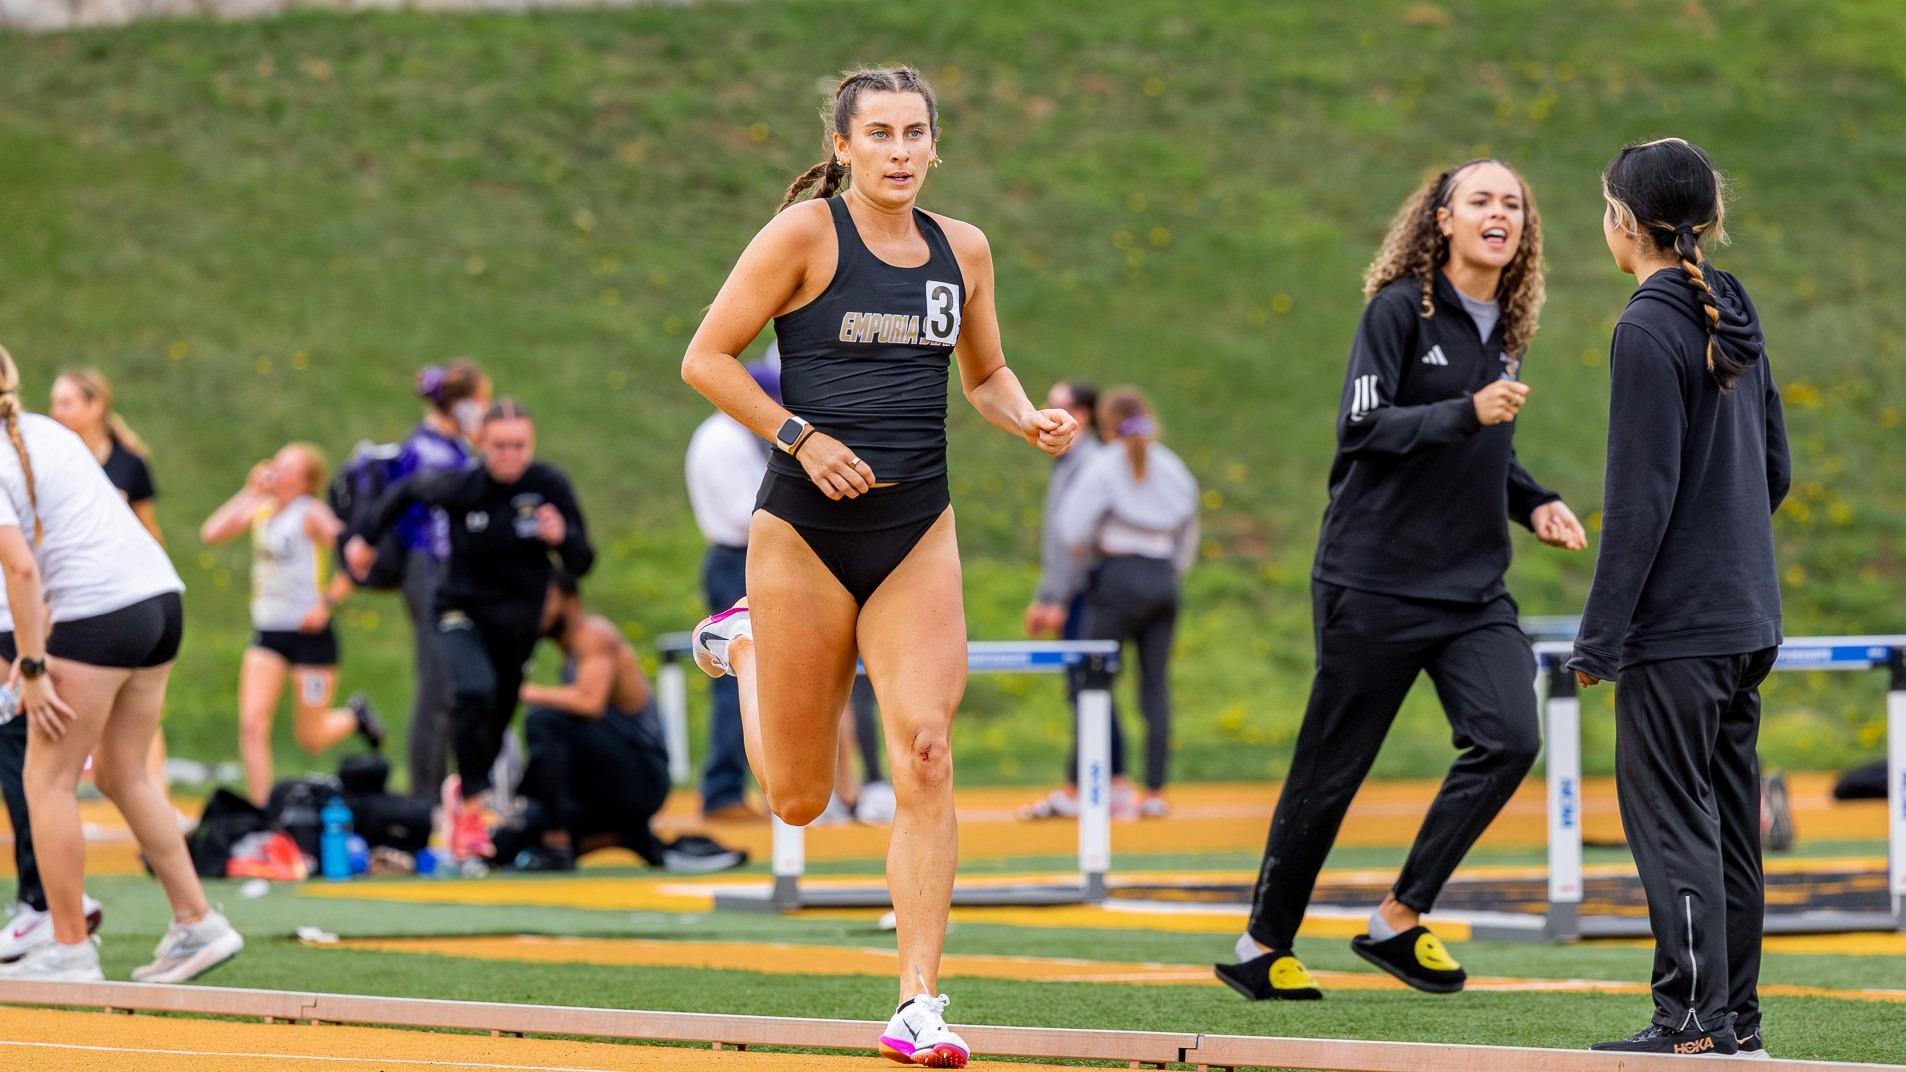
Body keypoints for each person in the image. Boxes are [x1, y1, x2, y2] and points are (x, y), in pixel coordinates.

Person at [680, 66, 1077, 1068]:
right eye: (881, 134)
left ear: (935, 146)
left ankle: (917, 1001)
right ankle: (746, 646)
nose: (900, 151)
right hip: (804, 532)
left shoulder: (964, 250)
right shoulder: (805, 236)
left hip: (915, 531)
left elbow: (983, 374)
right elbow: (707, 358)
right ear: (845, 145)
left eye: (916, 134)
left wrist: (1024, 416)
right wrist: (800, 437)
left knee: (926, 751)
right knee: (799, 799)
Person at [1216, 159, 1586, 1002]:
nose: (1501, 214)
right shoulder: (1398, 310)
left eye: (1514, 204)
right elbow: (1362, 427)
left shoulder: (1508, 324)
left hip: (1472, 591)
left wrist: (1535, 502)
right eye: (1482, 200)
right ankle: (1261, 943)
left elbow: (1491, 448)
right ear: (1443, 219)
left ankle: (1398, 917)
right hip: (1373, 582)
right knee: (1332, 771)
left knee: (1508, 738)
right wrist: (1468, 411)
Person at [1572, 138, 1788, 1058]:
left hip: (1681, 629)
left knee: (1671, 821)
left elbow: (1639, 503)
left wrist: (1598, 638)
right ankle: (1735, 1021)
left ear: (1622, 221)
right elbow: (1774, 469)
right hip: (1747, 616)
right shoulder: (1732, 308)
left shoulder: (1644, 327)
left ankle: (1689, 1019)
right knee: (1730, 824)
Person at [0, 345, 243, 982]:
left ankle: (70, 948)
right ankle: (198, 923)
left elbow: (23, 569)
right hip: (160, 602)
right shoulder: (47, 433)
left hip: (102, 614)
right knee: (121, 771)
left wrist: (29, 668)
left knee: (45, 781)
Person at [345, 398, 593, 862]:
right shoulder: (461, 485)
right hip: (457, 610)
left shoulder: (548, 485)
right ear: (481, 443)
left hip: (517, 629)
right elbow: (406, 491)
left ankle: (465, 795)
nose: (509, 456)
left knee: (496, 715)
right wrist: (365, 537)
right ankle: (473, 804)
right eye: (499, 446)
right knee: (472, 689)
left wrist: (562, 538)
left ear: (531, 443)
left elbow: (583, 560)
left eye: (518, 446)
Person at [499, 571, 746, 874]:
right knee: (513, 837)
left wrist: (520, 691)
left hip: (643, 777)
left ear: (570, 600)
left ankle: (558, 845)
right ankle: (629, 838)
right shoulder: (571, 653)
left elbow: (590, 702)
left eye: (542, 598)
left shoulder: (595, 636)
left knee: (544, 721)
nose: (533, 608)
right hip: (609, 785)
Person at [200, 444, 382, 806]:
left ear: (305, 482)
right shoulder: (262, 508)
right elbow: (212, 532)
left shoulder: (310, 513)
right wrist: (251, 490)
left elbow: (358, 555)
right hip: (269, 632)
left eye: (288, 469)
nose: (278, 473)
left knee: (310, 738)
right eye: (277, 464)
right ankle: (263, 807)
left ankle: (354, 717)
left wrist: (327, 602)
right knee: (252, 724)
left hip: (309, 636)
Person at [1054, 388, 1199, 817]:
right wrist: (1170, 572)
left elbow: (1072, 529)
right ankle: (1154, 793)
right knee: (1155, 687)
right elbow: (1188, 530)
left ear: (1107, 421)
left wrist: (1092, 553)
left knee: (1092, 683)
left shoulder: (1103, 464)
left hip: (1116, 580)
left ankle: (1083, 787)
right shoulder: (1171, 464)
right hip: (1162, 580)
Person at [47, 369, 176, 801]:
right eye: (54, 402)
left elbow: (150, 532)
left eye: (66, 402)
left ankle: (156, 796)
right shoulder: (51, 460)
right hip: (68, 597)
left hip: (120, 598)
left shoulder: (127, 463)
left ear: (95, 405)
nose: (55, 412)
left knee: (134, 722)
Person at [1018, 380, 1131, 821]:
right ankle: (1100, 782)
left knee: (1090, 685)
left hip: (1089, 590)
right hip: (1077, 589)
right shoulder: (1072, 462)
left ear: (1080, 415)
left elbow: (1076, 541)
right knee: (1086, 687)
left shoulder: (1091, 463)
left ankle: (1108, 784)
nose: (1047, 410)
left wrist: (1057, 597)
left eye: (1058, 405)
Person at [684, 359, 780, 822]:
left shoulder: (729, 436)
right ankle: (722, 790)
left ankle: (744, 781)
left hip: (739, 555)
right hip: (734, 560)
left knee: (753, 672)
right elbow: (749, 513)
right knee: (740, 668)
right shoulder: (723, 441)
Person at [393, 359, 491, 802]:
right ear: (463, 405)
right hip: (430, 567)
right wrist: (480, 440)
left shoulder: (447, 446)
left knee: (448, 685)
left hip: (445, 568)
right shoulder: (433, 451)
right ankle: (424, 798)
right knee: (436, 684)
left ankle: (440, 791)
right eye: (480, 405)